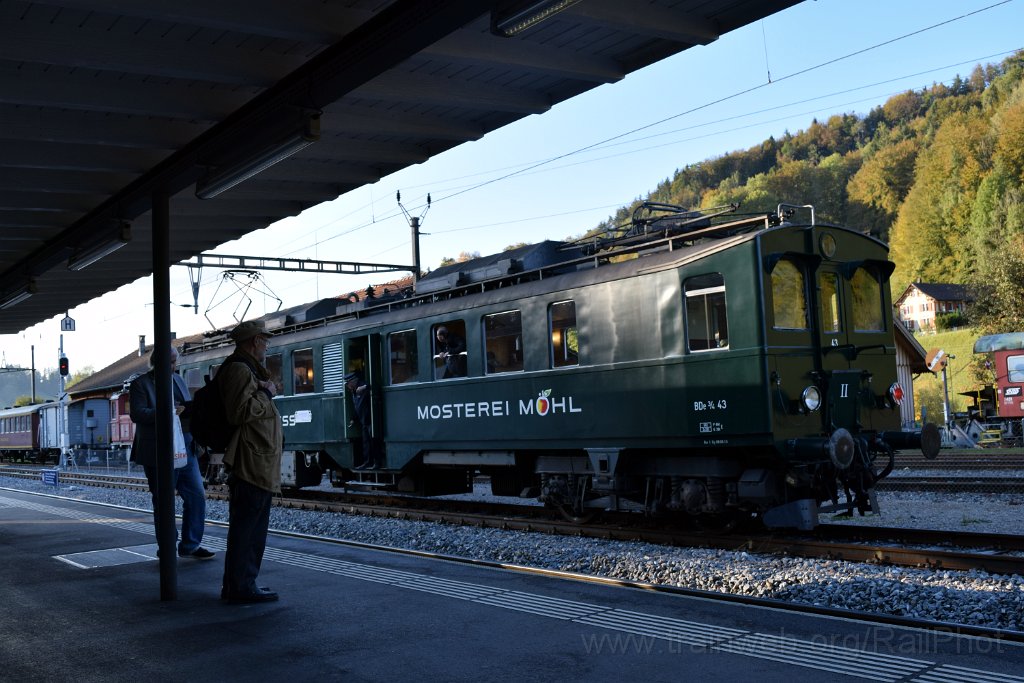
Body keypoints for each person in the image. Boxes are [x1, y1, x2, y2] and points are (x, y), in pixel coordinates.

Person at [219, 319, 283, 604]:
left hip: (257, 459)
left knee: (252, 529)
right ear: (255, 341)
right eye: (264, 340)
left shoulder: (247, 370)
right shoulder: (239, 370)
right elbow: (239, 413)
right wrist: (266, 393)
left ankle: (244, 583)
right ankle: (240, 587)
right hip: (250, 462)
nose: (267, 345)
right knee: (248, 530)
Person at [129, 345, 214, 560]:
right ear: (156, 362)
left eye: (175, 362)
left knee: (197, 496)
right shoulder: (140, 384)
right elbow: (137, 414)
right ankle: (167, 547)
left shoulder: (178, 380)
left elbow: (186, 409)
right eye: (169, 362)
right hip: (158, 449)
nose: (173, 366)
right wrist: (168, 412)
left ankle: (190, 545)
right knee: (163, 500)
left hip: (185, 446)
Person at [345, 371, 376, 469]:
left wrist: (364, 387)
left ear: (353, 381)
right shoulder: (353, 391)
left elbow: (373, 386)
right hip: (363, 421)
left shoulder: (362, 385)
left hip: (370, 419)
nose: (347, 386)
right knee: (366, 443)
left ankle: (377, 462)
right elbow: (357, 407)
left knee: (373, 441)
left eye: (348, 383)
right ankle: (367, 462)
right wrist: (353, 419)